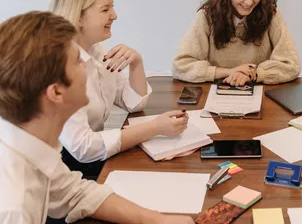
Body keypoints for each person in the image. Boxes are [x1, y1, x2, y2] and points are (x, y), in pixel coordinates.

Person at [0, 11, 194, 224]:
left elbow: (75, 193)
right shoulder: (13, 207)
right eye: (78, 62)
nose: (87, 65)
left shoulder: (31, 145)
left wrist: (158, 220)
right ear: (55, 93)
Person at [50, 0, 188, 180]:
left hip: (94, 160)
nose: (114, 15)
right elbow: (83, 148)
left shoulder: (96, 51)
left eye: (112, 8)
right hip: (65, 173)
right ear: (79, 17)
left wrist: (136, 63)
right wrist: (154, 128)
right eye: (105, 10)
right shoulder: (59, 67)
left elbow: (133, 103)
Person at [172, 0, 301, 86]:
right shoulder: (206, 17)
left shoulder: (271, 15)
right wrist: (229, 72)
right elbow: (180, 67)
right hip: (215, 94)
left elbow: (291, 64)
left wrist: (253, 74)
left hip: (261, 94)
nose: (249, 1)